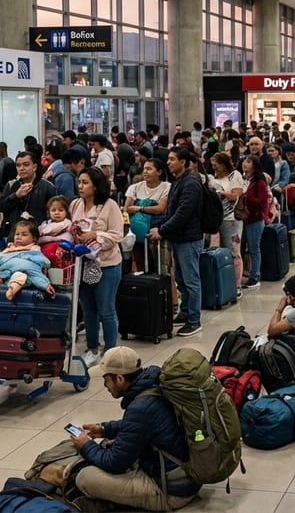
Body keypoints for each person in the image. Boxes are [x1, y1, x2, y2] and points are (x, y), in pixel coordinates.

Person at [71, 347, 199, 511]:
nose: (105, 385)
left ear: (119, 378)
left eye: (106, 379)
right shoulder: (155, 384)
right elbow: (138, 426)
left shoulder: (141, 408)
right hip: (186, 475)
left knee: (85, 478)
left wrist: (85, 445)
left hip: (171, 491)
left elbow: (113, 462)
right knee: (112, 444)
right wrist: (104, 430)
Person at [147, 149, 205, 337]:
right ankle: (185, 311)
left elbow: (183, 213)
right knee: (180, 279)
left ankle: (194, 320)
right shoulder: (178, 181)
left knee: (191, 280)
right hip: (178, 237)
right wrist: (162, 228)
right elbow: (172, 211)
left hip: (189, 238)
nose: (168, 162)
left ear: (183, 162)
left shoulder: (191, 183)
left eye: (172, 159)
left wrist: (162, 230)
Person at [70, 168, 124, 365]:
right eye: (79, 182)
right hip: (82, 264)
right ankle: (92, 348)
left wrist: (95, 235)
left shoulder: (110, 205)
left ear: (96, 185)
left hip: (107, 264)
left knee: (106, 309)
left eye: (85, 183)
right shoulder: (75, 204)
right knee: (88, 309)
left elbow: (117, 235)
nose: (81, 186)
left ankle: (110, 351)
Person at [0, 219, 54, 298]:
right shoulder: (9, 249)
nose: (19, 237)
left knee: (19, 276)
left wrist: (45, 285)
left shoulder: (34, 251)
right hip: (4, 273)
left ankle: (12, 290)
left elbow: (35, 268)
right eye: (17, 234)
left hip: (22, 274)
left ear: (34, 238)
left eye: (24, 235)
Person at [124, 158, 170, 274]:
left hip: (158, 230)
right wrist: (147, 209)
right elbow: (127, 208)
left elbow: (160, 209)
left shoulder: (167, 187)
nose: (145, 172)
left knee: (160, 265)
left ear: (159, 172)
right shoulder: (135, 187)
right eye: (144, 169)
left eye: (149, 169)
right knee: (141, 263)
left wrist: (140, 208)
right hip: (136, 232)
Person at [0, 151, 57, 236]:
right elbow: (1, 207)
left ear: (34, 167)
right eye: (18, 165)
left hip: (40, 234)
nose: (22, 168)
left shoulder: (47, 187)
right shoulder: (11, 185)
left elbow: (55, 212)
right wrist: (16, 196)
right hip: (16, 235)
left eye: (26, 165)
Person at [207, 152, 245, 291]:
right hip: (216, 219)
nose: (214, 167)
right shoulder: (211, 178)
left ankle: (237, 285)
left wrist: (219, 193)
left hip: (232, 219)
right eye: (212, 165)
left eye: (216, 164)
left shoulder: (235, 176)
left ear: (224, 164)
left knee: (234, 251)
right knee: (218, 252)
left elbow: (235, 195)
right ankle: (223, 285)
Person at [239, 154, 269, 290]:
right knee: (243, 247)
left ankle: (255, 276)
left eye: (249, 162)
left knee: (254, 249)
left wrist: (247, 196)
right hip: (246, 219)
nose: (245, 164)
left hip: (256, 220)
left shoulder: (259, 182)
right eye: (244, 161)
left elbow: (261, 201)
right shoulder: (246, 180)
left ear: (255, 165)